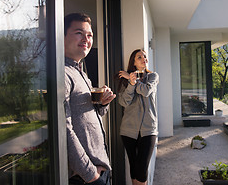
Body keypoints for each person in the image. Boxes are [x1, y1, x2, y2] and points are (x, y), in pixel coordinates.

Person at [64, 13, 116, 185]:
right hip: (84, 178)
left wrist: (103, 104)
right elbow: (63, 130)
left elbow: (89, 116)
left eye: (89, 35)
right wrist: (91, 175)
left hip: (99, 170)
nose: (86, 39)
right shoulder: (62, 74)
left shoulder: (82, 74)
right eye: (79, 33)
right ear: (61, 35)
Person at [117, 49, 159, 185]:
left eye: (144, 56)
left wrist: (131, 78)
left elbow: (146, 91)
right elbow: (123, 102)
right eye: (139, 57)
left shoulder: (153, 77)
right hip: (128, 130)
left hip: (148, 130)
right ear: (133, 62)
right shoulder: (126, 81)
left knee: (142, 170)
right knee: (134, 169)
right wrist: (131, 83)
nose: (143, 59)